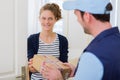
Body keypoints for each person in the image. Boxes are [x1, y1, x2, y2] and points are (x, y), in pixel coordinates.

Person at [40, 0, 120, 80]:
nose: (77, 20)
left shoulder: (92, 56)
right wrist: (78, 71)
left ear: (87, 16)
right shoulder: (116, 40)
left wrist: (58, 78)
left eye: (77, 15)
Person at [27, 3, 69, 80]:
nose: (46, 22)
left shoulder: (63, 40)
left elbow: (64, 66)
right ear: (39, 18)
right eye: (43, 18)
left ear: (55, 19)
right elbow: (30, 67)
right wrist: (31, 68)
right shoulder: (32, 39)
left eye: (50, 18)